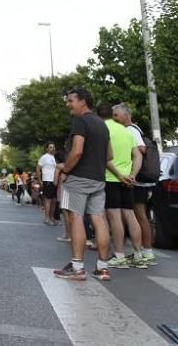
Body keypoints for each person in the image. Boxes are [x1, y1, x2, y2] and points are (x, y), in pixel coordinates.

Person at [54, 87, 116, 282]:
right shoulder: (102, 124)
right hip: (98, 179)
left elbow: (77, 151)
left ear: (83, 102)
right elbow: (110, 156)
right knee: (99, 219)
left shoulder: (80, 121)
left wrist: (66, 169)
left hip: (79, 178)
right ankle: (103, 268)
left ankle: (78, 267)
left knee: (76, 219)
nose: (68, 104)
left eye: (71, 100)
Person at [98, 103, 146, 269]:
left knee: (114, 217)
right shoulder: (127, 131)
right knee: (130, 216)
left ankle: (119, 255)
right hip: (128, 180)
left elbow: (105, 157)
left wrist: (118, 175)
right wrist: (132, 175)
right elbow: (138, 155)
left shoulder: (103, 128)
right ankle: (139, 255)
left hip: (111, 178)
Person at [113, 104, 158, 266]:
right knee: (140, 216)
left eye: (117, 115)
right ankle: (143, 252)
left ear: (126, 116)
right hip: (141, 180)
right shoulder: (135, 129)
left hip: (138, 180)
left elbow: (142, 149)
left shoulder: (131, 130)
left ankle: (146, 253)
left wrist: (131, 164)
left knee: (140, 216)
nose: (114, 118)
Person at [37, 143, 58, 224]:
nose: (52, 149)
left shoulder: (55, 158)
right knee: (47, 200)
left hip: (55, 181)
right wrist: (40, 180)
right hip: (47, 180)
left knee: (54, 200)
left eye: (53, 147)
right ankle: (46, 218)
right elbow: (38, 169)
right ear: (46, 149)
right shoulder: (44, 157)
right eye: (50, 147)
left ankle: (51, 217)